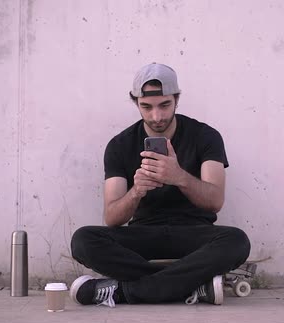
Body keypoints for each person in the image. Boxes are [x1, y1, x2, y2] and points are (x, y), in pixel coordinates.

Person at [69, 63, 251, 307]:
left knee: (237, 241)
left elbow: (215, 202)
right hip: (143, 235)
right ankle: (193, 286)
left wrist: (179, 176)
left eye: (164, 105)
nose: (157, 116)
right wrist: (136, 192)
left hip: (194, 233)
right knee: (83, 240)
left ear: (177, 99)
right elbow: (112, 218)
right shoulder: (119, 145)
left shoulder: (206, 136)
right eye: (146, 107)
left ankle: (122, 292)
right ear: (136, 103)